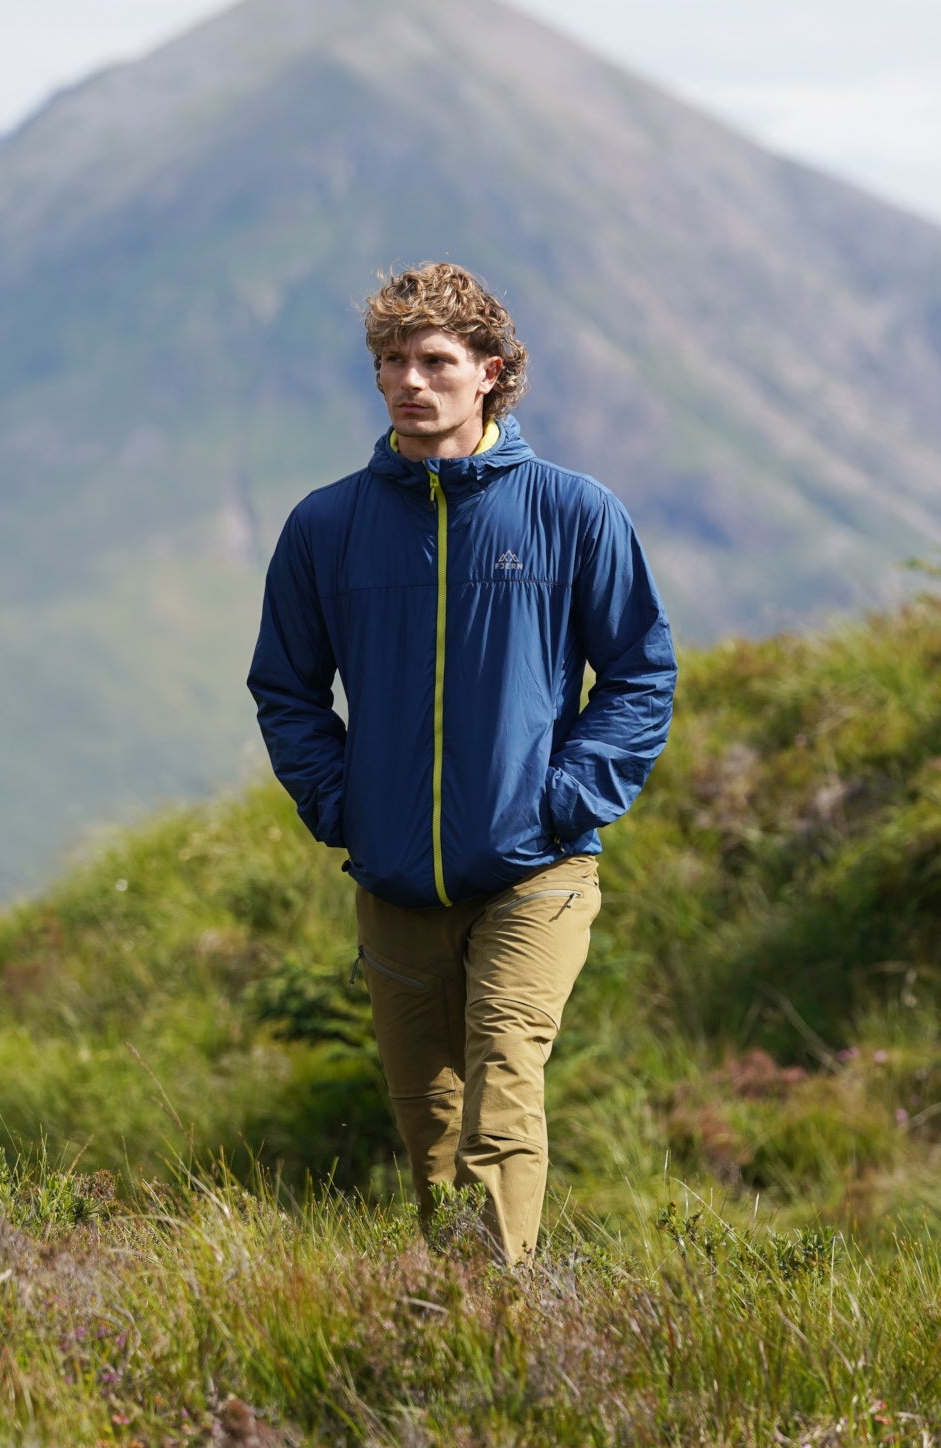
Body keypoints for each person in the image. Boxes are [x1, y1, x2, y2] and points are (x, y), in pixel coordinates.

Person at [247, 262, 675, 1263]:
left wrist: (562, 800)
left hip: (536, 871)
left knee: (502, 1093)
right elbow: (287, 690)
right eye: (392, 360)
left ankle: (496, 1319)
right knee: (430, 1130)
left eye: (436, 360)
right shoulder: (325, 527)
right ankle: (452, 1316)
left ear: (490, 372)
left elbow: (640, 675)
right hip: (394, 878)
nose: (410, 380)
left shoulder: (574, 513)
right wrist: (345, 806)